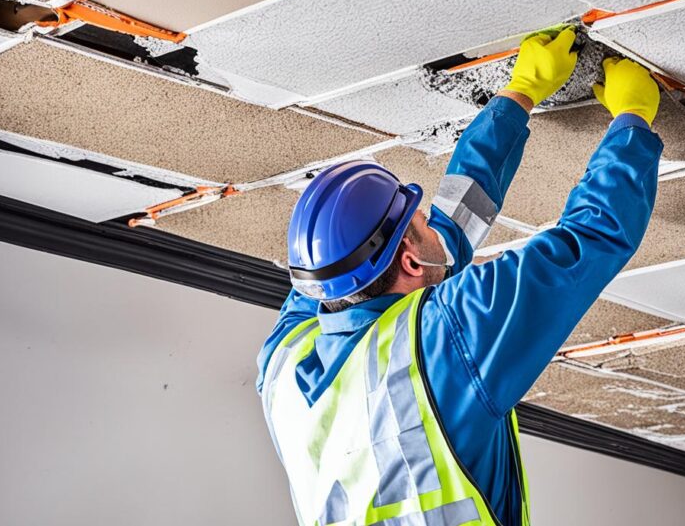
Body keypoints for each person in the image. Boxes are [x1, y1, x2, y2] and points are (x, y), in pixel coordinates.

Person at [257, 26, 662, 525]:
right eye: (419, 217)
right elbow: (590, 240)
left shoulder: (286, 361)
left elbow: (448, 235)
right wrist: (634, 121)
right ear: (408, 262)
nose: (431, 215)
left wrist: (518, 96)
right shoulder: (446, 339)